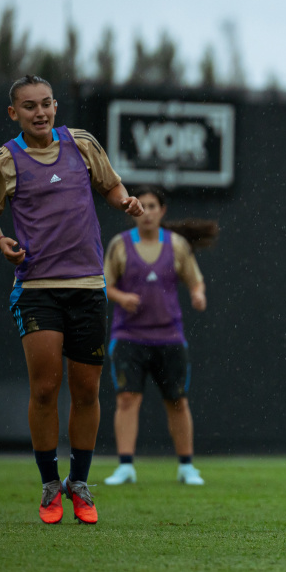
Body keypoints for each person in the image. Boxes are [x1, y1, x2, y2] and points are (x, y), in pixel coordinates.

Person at [0, 75, 144, 524]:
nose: (40, 112)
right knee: (46, 389)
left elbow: (111, 186)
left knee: (86, 391)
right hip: (37, 289)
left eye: (46, 103)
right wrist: (0, 240)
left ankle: (79, 483)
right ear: (13, 113)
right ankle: (50, 484)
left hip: (87, 286)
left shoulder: (81, 144)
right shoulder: (3, 160)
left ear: (55, 107)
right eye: (30, 106)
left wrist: (125, 202)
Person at [102, 186, 217, 486]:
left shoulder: (177, 245)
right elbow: (105, 284)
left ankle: (186, 467)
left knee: (177, 400)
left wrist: (198, 295)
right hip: (128, 336)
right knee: (127, 399)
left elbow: (195, 280)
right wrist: (121, 297)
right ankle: (125, 466)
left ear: (162, 211)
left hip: (169, 337)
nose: (147, 212)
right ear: (132, 211)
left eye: (153, 206)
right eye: (142, 206)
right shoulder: (120, 245)